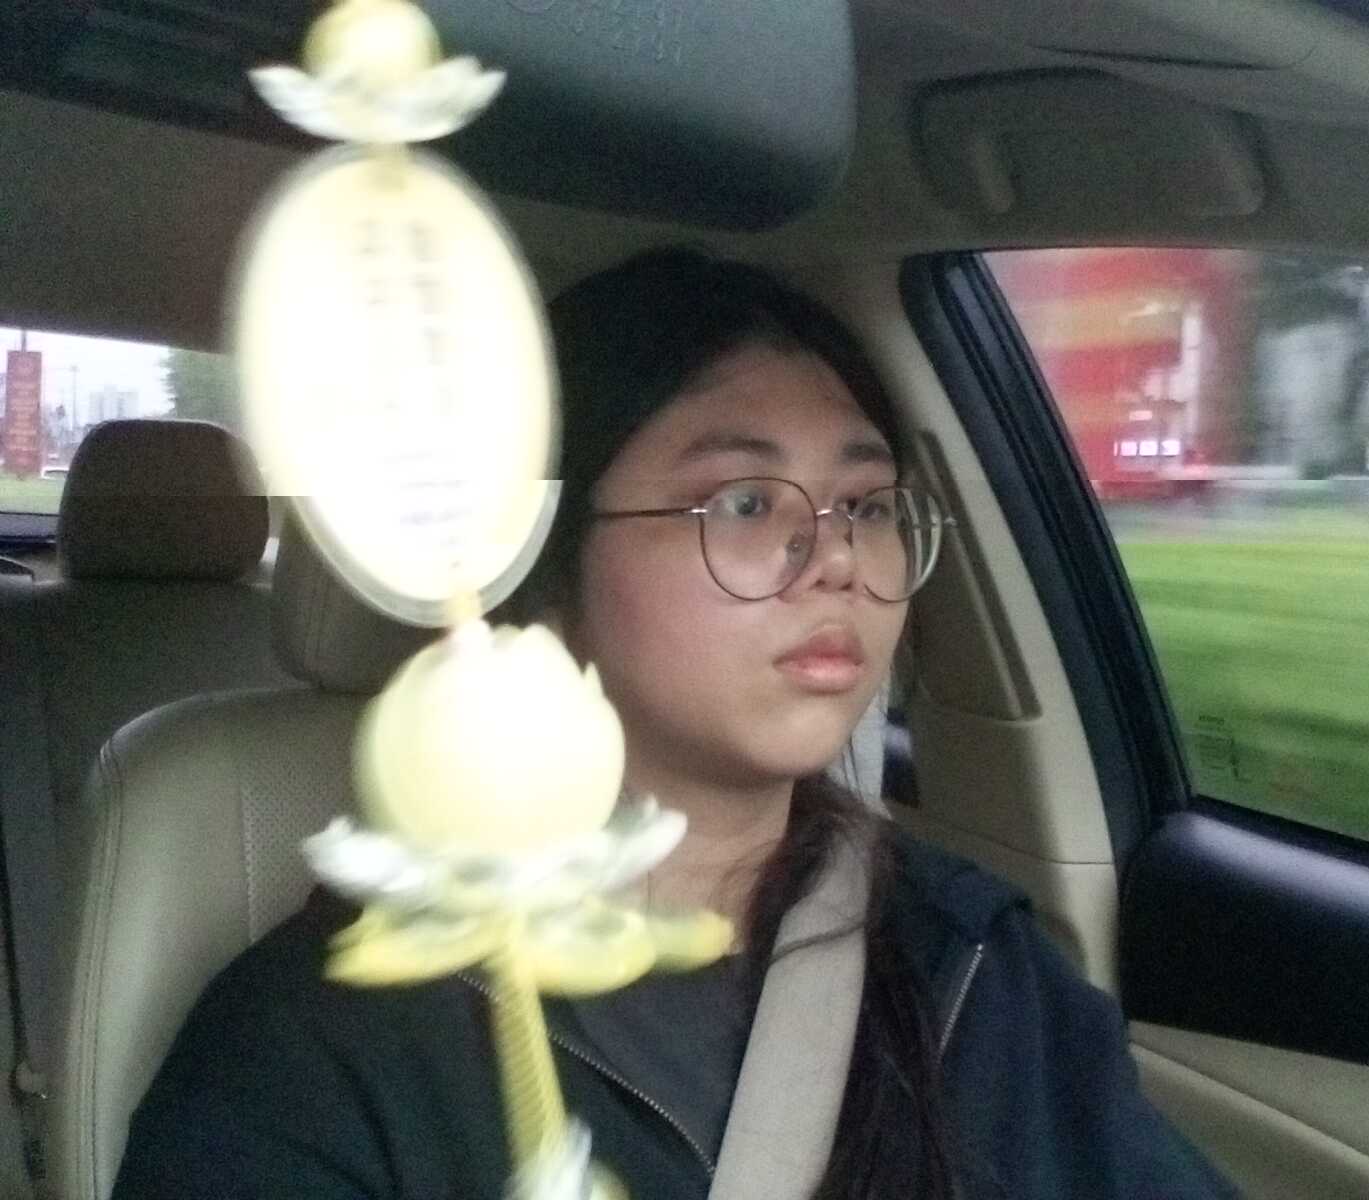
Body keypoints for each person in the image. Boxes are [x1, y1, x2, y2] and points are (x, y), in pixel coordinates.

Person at [114, 249, 1236, 1199]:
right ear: (545, 565)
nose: (836, 559)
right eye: (745, 503)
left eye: (865, 506)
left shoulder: (973, 968)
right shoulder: (317, 1053)